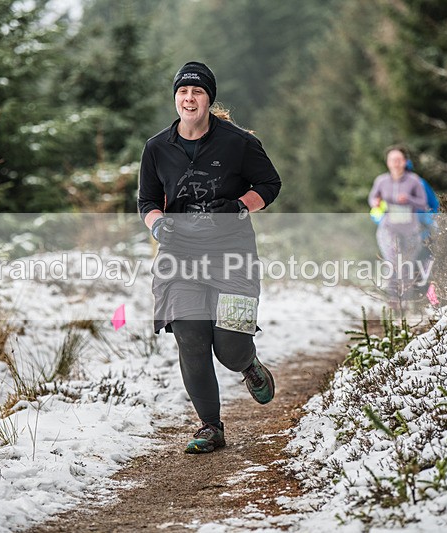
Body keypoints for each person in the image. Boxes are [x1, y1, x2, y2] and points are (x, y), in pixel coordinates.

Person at [137, 61, 282, 454]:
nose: (189, 98)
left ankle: (248, 364)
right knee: (191, 340)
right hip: (179, 257)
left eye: (197, 92)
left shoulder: (238, 143)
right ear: (175, 98)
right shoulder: (156, 148)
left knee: (230, 345)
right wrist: (157, 225)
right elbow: (147, 200)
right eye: (183, 92)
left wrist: (238, 205)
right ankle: (210, 426)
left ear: (208, 99)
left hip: (232, 255)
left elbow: (270, 184)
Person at [368, 146, 429, 309]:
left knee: (407, 265)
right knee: (392, 262)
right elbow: (372, 198)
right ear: (387, 162)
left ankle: (407, 303)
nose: (395, 163)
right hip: (388, 228)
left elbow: (423, 203)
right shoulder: (381, 181)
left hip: (410, 229)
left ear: (404, 161)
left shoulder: (414, 180)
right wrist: (375, 202)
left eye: (398, 160)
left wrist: (408, 198)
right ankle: (393, 301)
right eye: (392, 160)